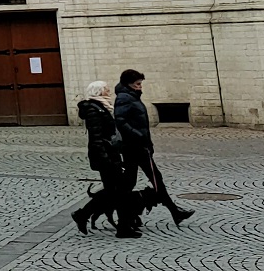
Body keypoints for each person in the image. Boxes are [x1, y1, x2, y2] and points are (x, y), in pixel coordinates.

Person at [114, 68, 194, 226]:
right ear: (129, 84)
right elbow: (121, 121)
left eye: (140, 84)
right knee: (151, 180)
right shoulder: (125, 98)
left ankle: (172, 211)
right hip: (134, 147)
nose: (140, 87)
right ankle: (121, 213)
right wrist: (138, 136)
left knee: (134, 181)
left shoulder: (131, 96)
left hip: (139, 146)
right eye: (138, 84)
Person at [72, 80, 140, 237]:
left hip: (110, 154)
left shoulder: (103, 107)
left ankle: (82, 215)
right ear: (99, 92)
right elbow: (96, 138)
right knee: (119, 191)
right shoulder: (93, 109)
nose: (109, 92)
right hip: (105, 157)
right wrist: (107, 159)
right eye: (106, 90)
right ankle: (123, 228)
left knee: (112, 192)